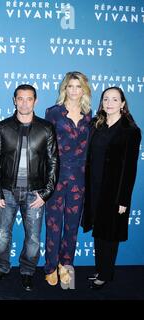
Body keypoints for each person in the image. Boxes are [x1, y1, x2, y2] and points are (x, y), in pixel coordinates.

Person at [0, 84, 58, 291]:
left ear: (35, 101)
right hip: (7, 193)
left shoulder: (46, 128)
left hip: (35, 193)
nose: (25, 103)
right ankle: (2, 267)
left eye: (29, 99)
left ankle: (28, 271)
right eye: (20, 98)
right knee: (2, 235)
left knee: (34, 238)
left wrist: (46, 194)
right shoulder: (2, 127)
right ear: (14, 100)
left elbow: (53, 161)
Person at [81, 87, 141, 290]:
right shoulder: (96, 125)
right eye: (106, 99)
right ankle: (100, 269)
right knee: (99, 231)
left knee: (110, 233)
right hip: (94, 188)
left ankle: (106, 274)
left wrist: (124, 199)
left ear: (123, 104)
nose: (109, 103)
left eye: (115, 99)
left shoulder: (131, 131)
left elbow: (130, 168)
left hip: (114, 192)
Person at [43, 71, 92, 289]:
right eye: (70, 86)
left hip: (79, 179)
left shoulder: (91, 115)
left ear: (84, 90)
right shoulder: (53, 113)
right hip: (56, 177)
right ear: (65, 88)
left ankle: (66, 265)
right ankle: (50, 267)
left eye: (78, 86)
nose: (74, 90)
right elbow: (46, 147)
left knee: (71, 227)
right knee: (53, 224)